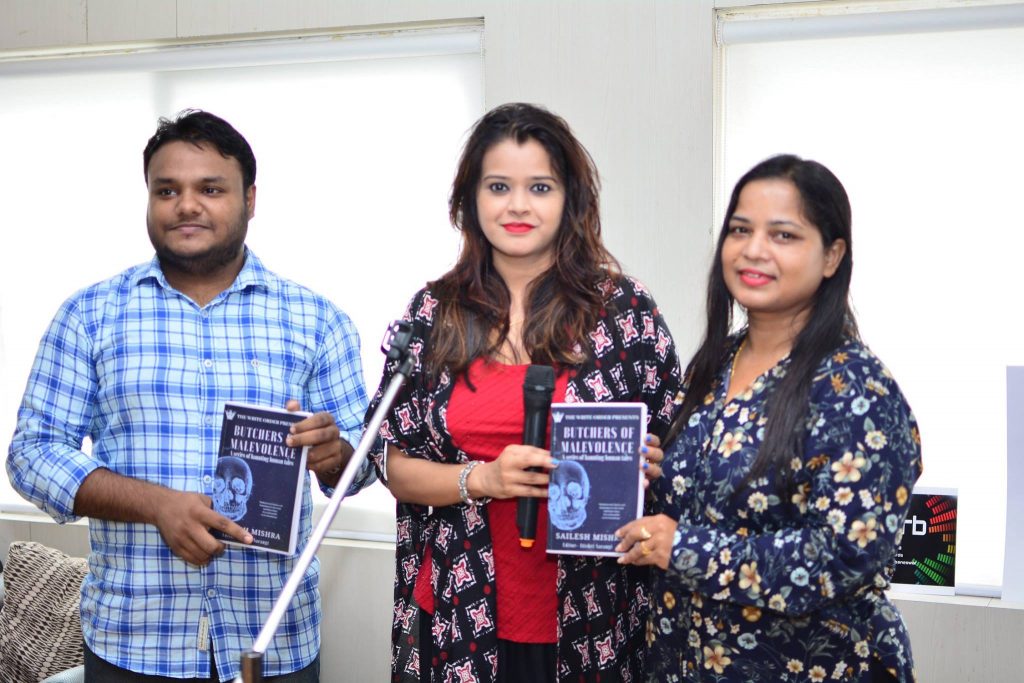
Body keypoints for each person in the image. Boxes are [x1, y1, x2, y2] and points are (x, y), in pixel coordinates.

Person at [7, 110, 374, 682]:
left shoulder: (317, 321)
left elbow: (362, 463)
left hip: (272, 642)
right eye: (167, 190)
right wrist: (157, 505)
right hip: (133, 642)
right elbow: (32, 455)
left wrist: (336, 456)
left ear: (250, 200)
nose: (187, 205)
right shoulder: (90, 316)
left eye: (210, 188)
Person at [366, 103, 683, 682]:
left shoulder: (624, 311)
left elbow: (683, 447)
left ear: (570, 200)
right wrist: (481, 479)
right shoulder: (433, 314)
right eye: (498, 186)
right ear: (470, 200)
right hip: (461, 618)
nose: (517, 205)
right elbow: (389, 459)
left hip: (596, 616)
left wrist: (657, 463)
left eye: (540, 186)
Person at [616, 154, 922, 682]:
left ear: (832, 256)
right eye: (740, 230)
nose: (754, 250)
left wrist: (684, 547)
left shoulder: (855, 389)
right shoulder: (715, 364)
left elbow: (844, 556)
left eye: (783, 235)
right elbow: (705, 505)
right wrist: (643, 474)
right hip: (683, 663)